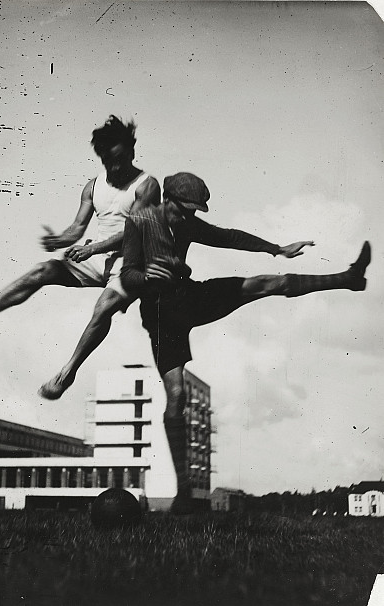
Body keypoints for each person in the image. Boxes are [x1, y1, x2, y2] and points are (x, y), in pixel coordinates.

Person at [121, 172, 371, 514]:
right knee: (176, 395)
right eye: (183, 211)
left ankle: (348, 278)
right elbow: (127, 274)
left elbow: (229, 237)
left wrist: (276, 249)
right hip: (161, 313)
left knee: (264, 284)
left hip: (189, 297)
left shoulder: (188, 224)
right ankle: (182, 494)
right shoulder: (140, 222)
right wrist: (147, 275)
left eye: (194, 213)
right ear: (167, 200)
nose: (188, 218)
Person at [0, 116, 160, 398]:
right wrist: (59, 240)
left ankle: (66, 374)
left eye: (118, 160)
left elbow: (134, 231)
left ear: (131, 152)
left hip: (135, 262)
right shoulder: (93, 186)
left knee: (104, 306)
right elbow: (77, 228)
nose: (113, 167)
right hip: (101, 257)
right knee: (42, 270)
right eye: (107, 161)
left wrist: (92, 248)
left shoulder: (147, 185)